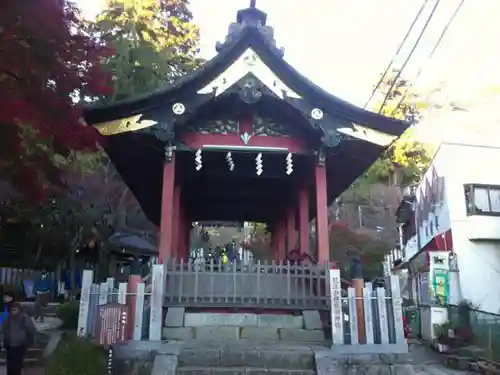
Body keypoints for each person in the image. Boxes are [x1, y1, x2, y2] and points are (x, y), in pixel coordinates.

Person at [1, 302, 36, 375]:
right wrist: (2, 341)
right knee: (10, 365)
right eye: (12, 309)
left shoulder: (25, 318)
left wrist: (31, 341)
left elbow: (31, 330)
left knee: (17, 365)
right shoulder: (7, 319)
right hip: (10, 345)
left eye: (15, 309)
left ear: (19, 310)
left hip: (20, 346)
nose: (13, 311)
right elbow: (2, 331)